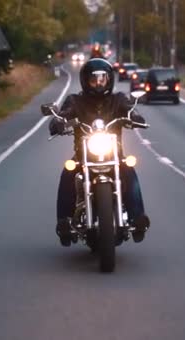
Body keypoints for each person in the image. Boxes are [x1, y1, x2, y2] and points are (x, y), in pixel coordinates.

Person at [49, 58, 150, 246]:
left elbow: (128, 109)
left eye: (102, 79)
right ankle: (64, 222)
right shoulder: (75, 101)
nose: (98, 83)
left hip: (114, 156)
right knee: (67, 173)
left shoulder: (118, 99)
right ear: (85, 81)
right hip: (83, 156)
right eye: (94, 79)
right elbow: (65, 113)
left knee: (129, 169)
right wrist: (58, 122)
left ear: (109, 80)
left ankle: (138, 219)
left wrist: (134, 116)